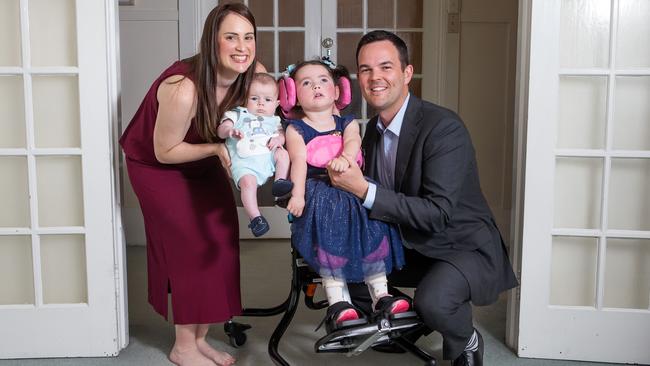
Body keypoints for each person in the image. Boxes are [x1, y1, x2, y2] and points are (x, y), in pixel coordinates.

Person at [328, 30, 519, 366]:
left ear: (406, 73)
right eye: (366, 69)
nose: (375, 78)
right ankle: (406, 326)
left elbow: (437, 213)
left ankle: (465, 339)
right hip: (407, 242)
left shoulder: (443, 127)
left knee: (435, 301)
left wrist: (360, 188)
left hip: (460, 244)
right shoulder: (369, 132)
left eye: (385, 67)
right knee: (346, 272)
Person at [119, 3, 264, 366]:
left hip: (201, 154)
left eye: (248, 37)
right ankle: (182, 347)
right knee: (191, 247)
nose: (241, 46)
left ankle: (200, 339)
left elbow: (263, 119)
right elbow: (165, 150)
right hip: (156, 164)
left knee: (219, 237)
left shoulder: (253, 75)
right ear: (212, 42)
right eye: (230, 37)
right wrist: (217, 147)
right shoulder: (183, 88)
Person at [282, 59, 410, 332]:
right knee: (330, 235)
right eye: (306, 82)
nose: (316, 85)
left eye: (323, 80)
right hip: (320, 192)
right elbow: (299, 163)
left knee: (374, 224)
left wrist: (345, 158)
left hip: (353, 183)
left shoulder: (347, 122)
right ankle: (338, 301)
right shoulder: (295, 129)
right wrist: (299, 196)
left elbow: (352, 142)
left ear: (338, 91)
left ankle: (381, 295)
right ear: (293, 95)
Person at [217, 73, 292, 237]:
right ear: (245, 99)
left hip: (267, 158)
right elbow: (221, 130)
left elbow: (281, 135)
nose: (260, 103)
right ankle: (256, 218)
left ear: (276, 103)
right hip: (245, 163)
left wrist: (278, 139)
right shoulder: (237, 114)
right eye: (254, 98)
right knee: (247, 184)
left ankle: (280, 181)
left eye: (267, 100)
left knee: (283, 154)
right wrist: (229, 131)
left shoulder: (274, 120)